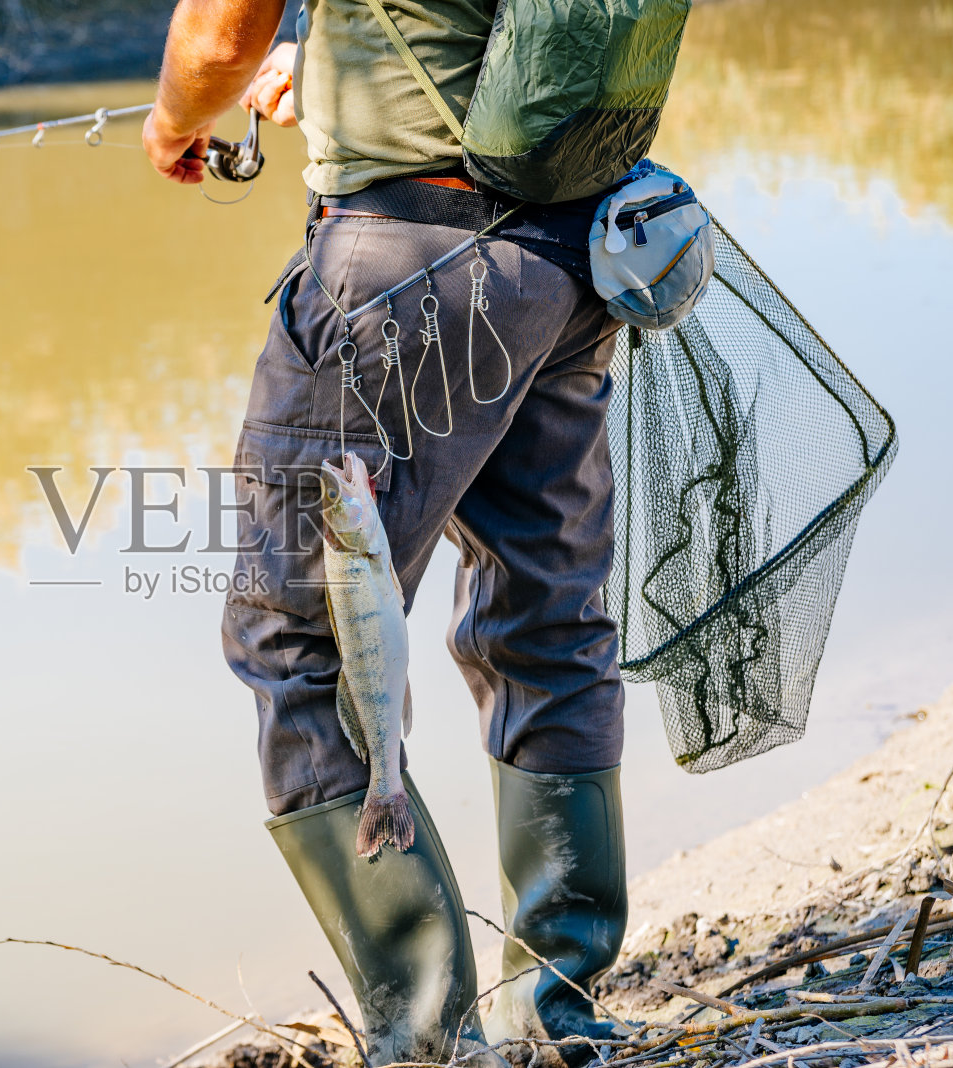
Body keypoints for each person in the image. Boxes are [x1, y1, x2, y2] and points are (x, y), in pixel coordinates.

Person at [143, 2, 629, 1064]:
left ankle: (425, 1041)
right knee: (546, 622)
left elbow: (219, 35)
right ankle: (554, 1018)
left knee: (299, 636)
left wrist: (176, 116)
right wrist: (326, 74)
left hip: (401, 270)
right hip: (568, 261)